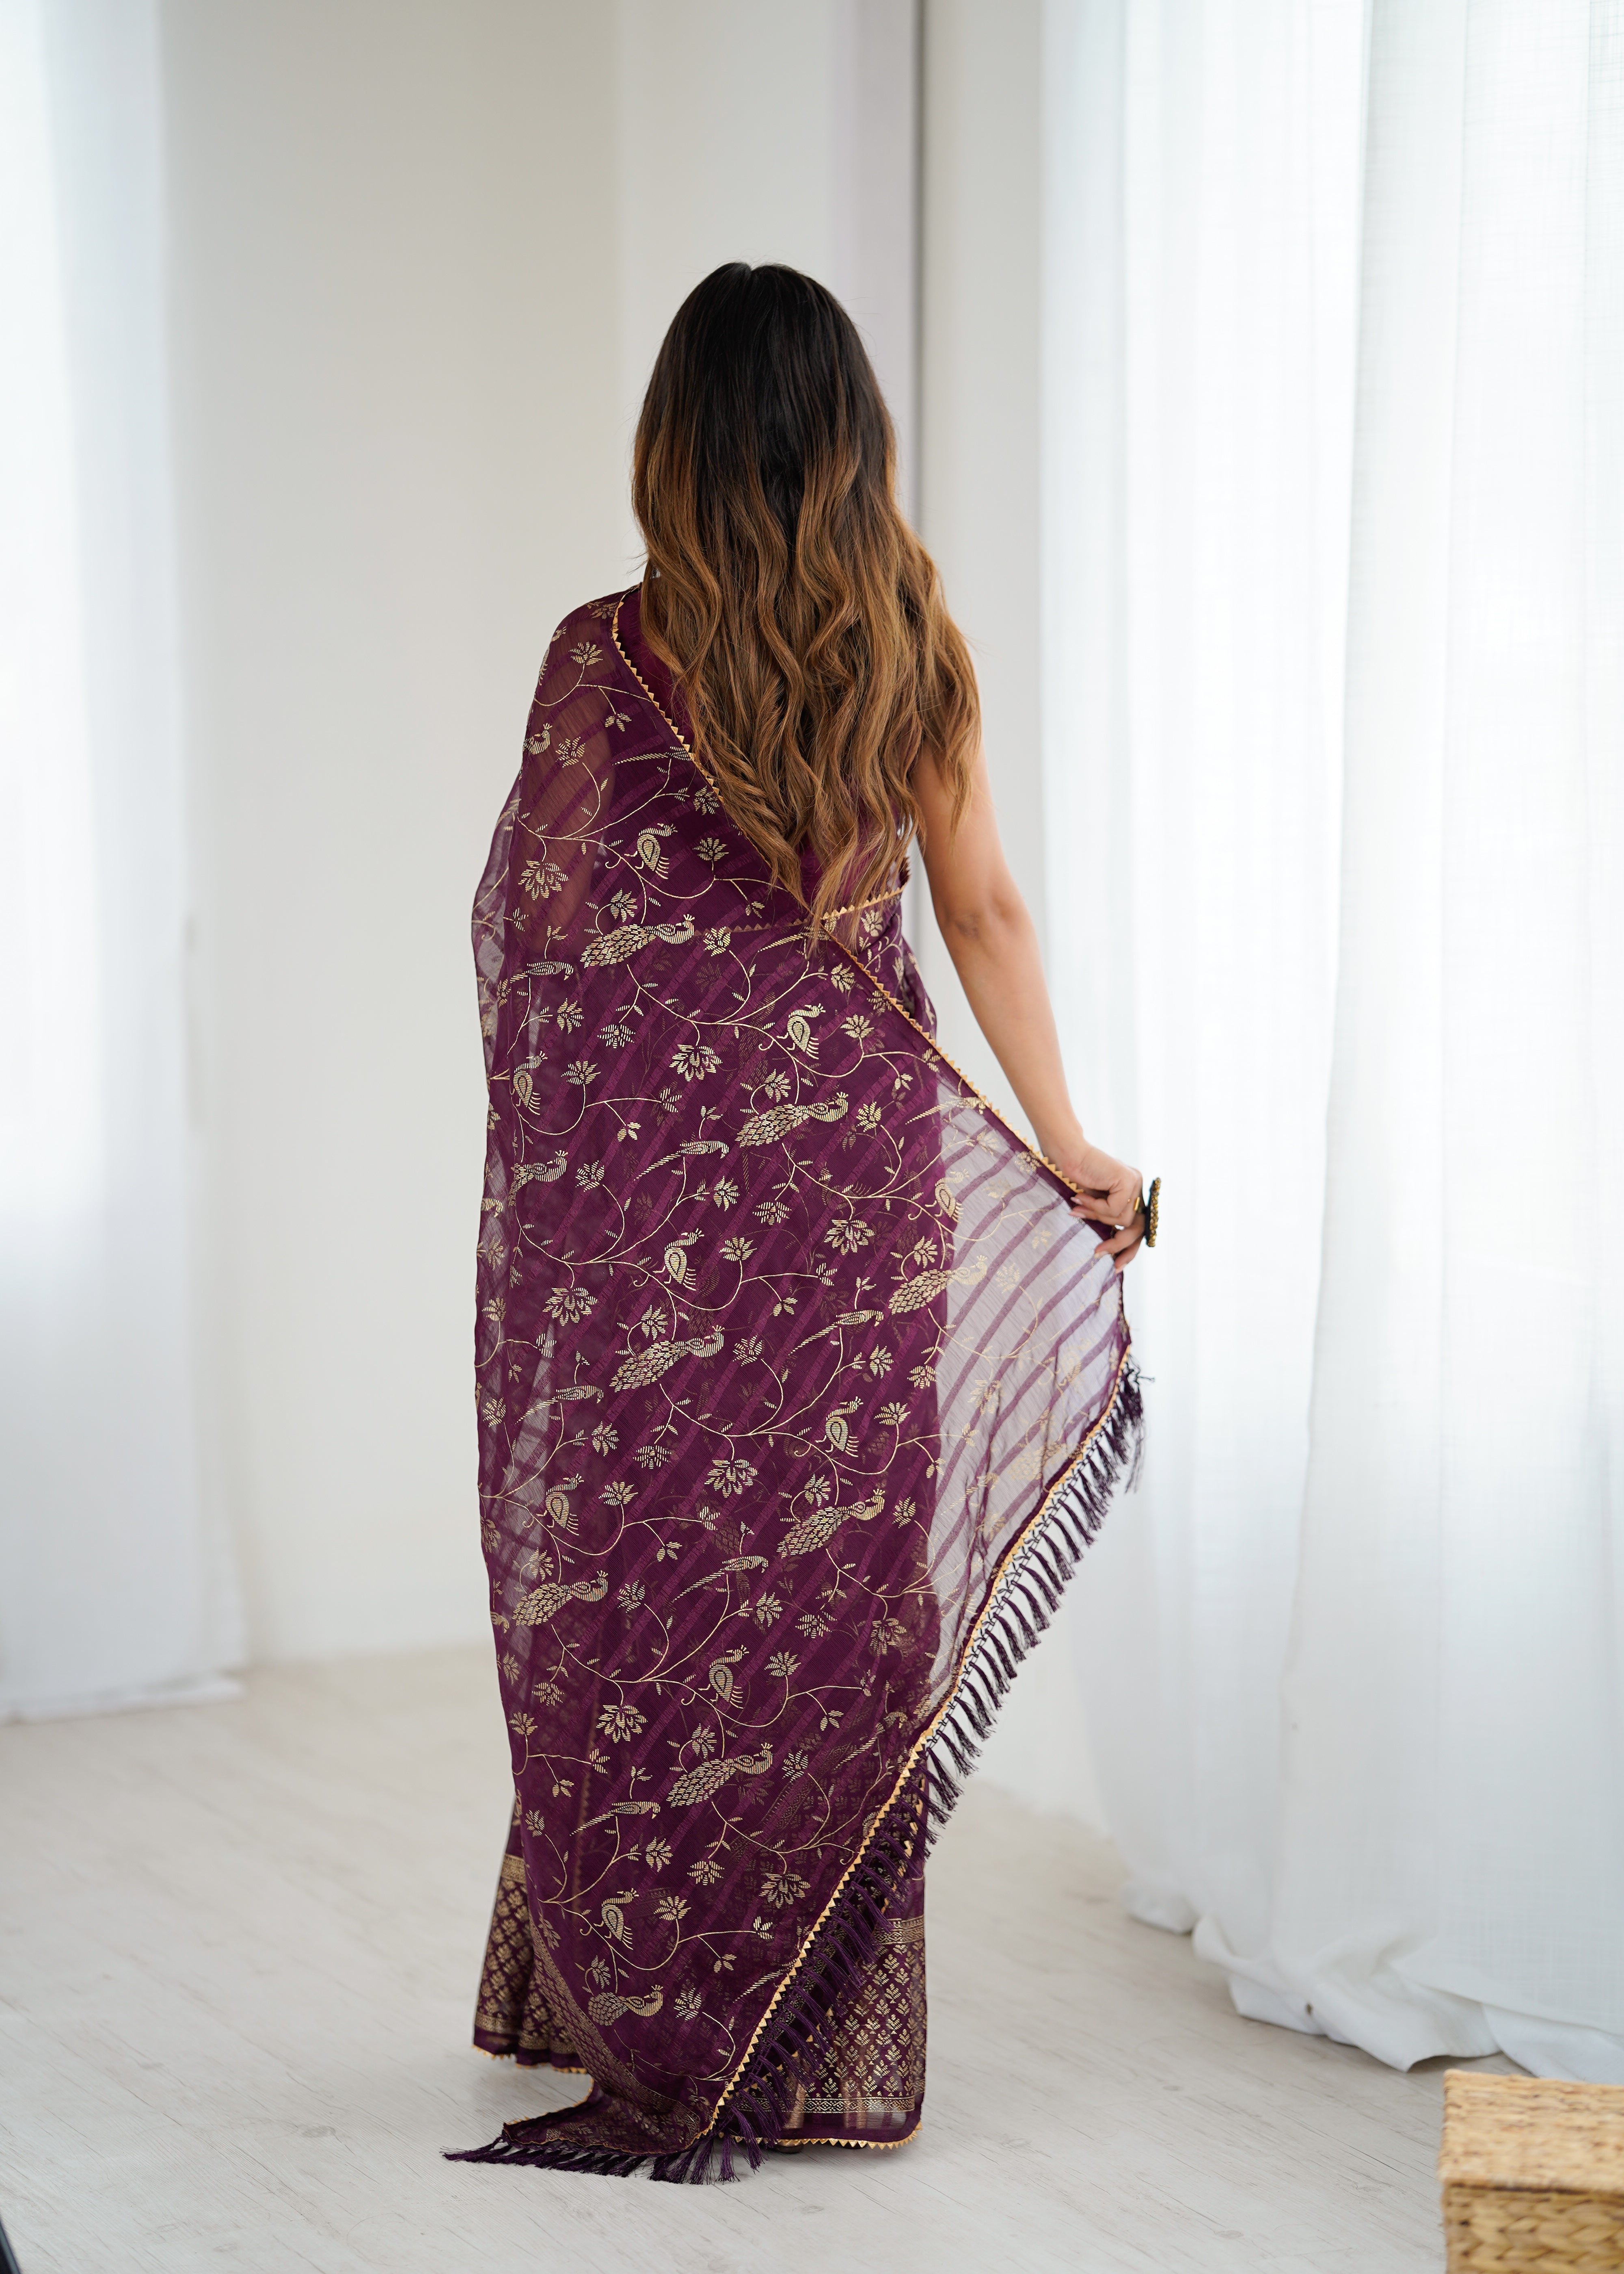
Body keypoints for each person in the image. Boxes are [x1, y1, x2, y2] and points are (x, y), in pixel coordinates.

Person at [450, 263, 1150, 2185]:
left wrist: (597, 1162)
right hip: (858, 1203)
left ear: (671, 442)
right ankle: (805, 2038)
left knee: (647, 1595)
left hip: (657, 1231)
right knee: (830, 1607)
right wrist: (1064, 1140)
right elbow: (982, 910)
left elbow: (550, 943)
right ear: (852, 439)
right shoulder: (907, 646)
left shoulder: (603, 653)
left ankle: (639, 2008)